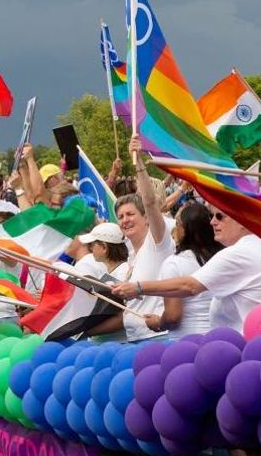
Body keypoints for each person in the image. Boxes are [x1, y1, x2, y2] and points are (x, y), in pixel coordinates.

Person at [113, 205, 261, 331]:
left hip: (212, 345)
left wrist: (137, 288)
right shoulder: (249, 247)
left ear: (242, 220)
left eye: (220, 216)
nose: (213, 222)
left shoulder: (237, 253)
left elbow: (189, 287)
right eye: (211, 216)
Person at [91, 135, 174, 342]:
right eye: (120, 217)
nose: (124, 220)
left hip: (157, 339)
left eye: (130, 214)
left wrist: (137, 163)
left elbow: (150, 202)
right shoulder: (131, 253)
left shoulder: (157, 243)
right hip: (134, 340)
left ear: (146, 217)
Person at [139, 203, 222, 337]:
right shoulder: (222, 258)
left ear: (185, 229)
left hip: (186, 341)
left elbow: (173, 316)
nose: (175, 228)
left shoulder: (174, 263)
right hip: (221, 337)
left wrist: (158, 322)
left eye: (177, 224)